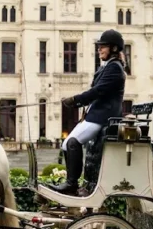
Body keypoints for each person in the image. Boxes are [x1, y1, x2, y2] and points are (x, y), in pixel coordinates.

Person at [50, 29, 127, 196]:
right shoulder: (107, 67)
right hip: (95, 115)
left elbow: (98, 91)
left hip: (103, 117)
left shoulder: (115, 68)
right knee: (66, 144)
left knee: (72, 143)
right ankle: (73, 183)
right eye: (99, 47)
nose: (99, 49)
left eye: (103, 47)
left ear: (114, 48)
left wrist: (76, 100)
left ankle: (72, 185)